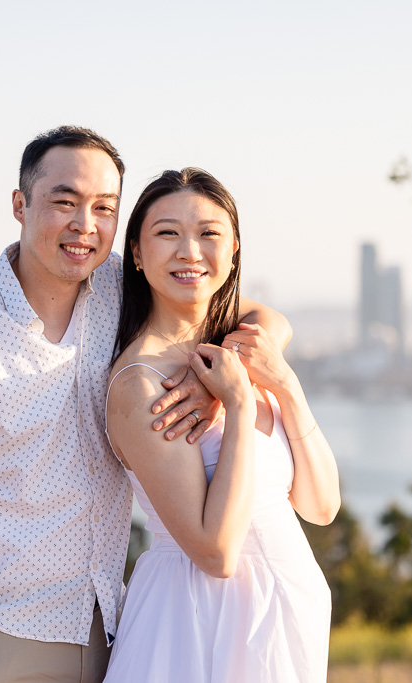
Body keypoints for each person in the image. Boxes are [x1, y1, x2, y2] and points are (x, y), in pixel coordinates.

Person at [0, 127, 290, 683]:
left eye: (105, 207)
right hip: (7, 636)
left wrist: (212, 375)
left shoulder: (118, 286)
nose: (86, 225)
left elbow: (264, 320)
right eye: (65, 202)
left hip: (112, 625)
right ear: (20, 204)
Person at [102, 168, 340, 682]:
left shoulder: (240, 348)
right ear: (137, 255)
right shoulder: (140, 385)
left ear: (234, 251)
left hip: (286, 618)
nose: (190, 251)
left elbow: (321, 507)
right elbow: (216, 553)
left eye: (209, 233)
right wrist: (237, 404)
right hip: (201, 624)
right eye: (167, 233)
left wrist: (284, 384)